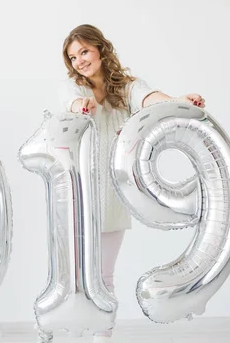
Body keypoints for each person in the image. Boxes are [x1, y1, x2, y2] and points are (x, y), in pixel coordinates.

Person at [61, 24, 205, 342]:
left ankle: (102, 335)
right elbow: (72, 103)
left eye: (84, 51)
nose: (80, 61)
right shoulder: (76, 90)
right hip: (79, 194)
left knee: (104, 275)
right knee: (76, 274)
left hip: (112, 194)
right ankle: (72, 327)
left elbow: (150, 98)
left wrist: (178, 100)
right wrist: (80, 108)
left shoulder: (127, 87)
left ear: (100, 49)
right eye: (73, 57)